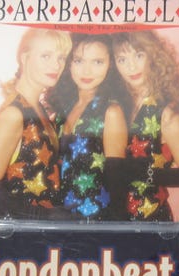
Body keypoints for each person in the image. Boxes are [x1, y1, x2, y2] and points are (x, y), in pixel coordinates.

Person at [0, 28, 72, 219]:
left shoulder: (37, 109)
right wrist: (44, 216)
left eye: (61, 58)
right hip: (14, 232)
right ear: (24, 57)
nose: (56, 65)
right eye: (46, 56)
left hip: (34, 231)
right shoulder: (14, 113)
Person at [106, 31, 179, 221]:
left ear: (153, 56)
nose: (131, 66)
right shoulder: (120, 104)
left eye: (138, 55)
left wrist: (143, 173)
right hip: (116, 218)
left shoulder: (167, 114)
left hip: (152, 220)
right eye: (122, 59)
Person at [47, 34, 128, 220]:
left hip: (96, 218)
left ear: (110, 66)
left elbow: (117, 182)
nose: (87, 70)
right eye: (79, 61)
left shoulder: (111, 112)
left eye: (97, 62)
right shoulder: (65, 108)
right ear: (69, 64)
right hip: (61, 215)